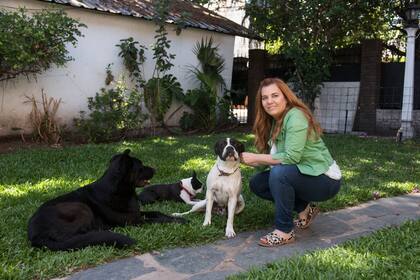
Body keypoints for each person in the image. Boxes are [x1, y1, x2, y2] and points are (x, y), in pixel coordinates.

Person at [241, 78, 341, 247]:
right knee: (258, 183)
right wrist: (246, 161)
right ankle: (304, 208)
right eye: (264, 98)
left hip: (325, 180)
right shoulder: (274, 122)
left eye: (275, 95)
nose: (269, 101)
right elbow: (273, 159)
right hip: (303, 174)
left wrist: (256, 157)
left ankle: (284, 231)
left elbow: (291, 158)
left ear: (286, 97)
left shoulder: (295, 116)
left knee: (279, 174)